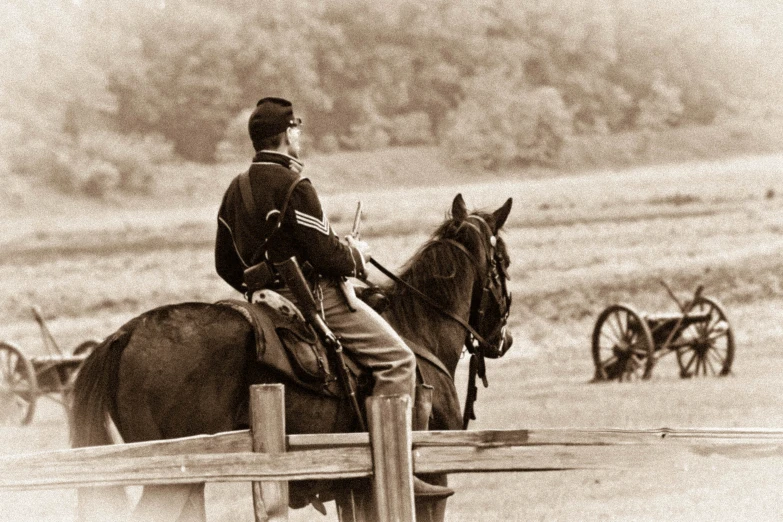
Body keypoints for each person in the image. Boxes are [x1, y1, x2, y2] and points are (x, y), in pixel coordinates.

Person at [214, 97, 454, 499]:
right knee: (399, 361)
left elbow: (225, 263)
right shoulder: (295, 185)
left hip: (262, 301)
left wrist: (260, 289)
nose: (299, 135)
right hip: (314, 298)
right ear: (288, 133)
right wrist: (355, 254)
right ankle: (395, 469)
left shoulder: (235, 189)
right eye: (297, 129)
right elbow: (326, 255)